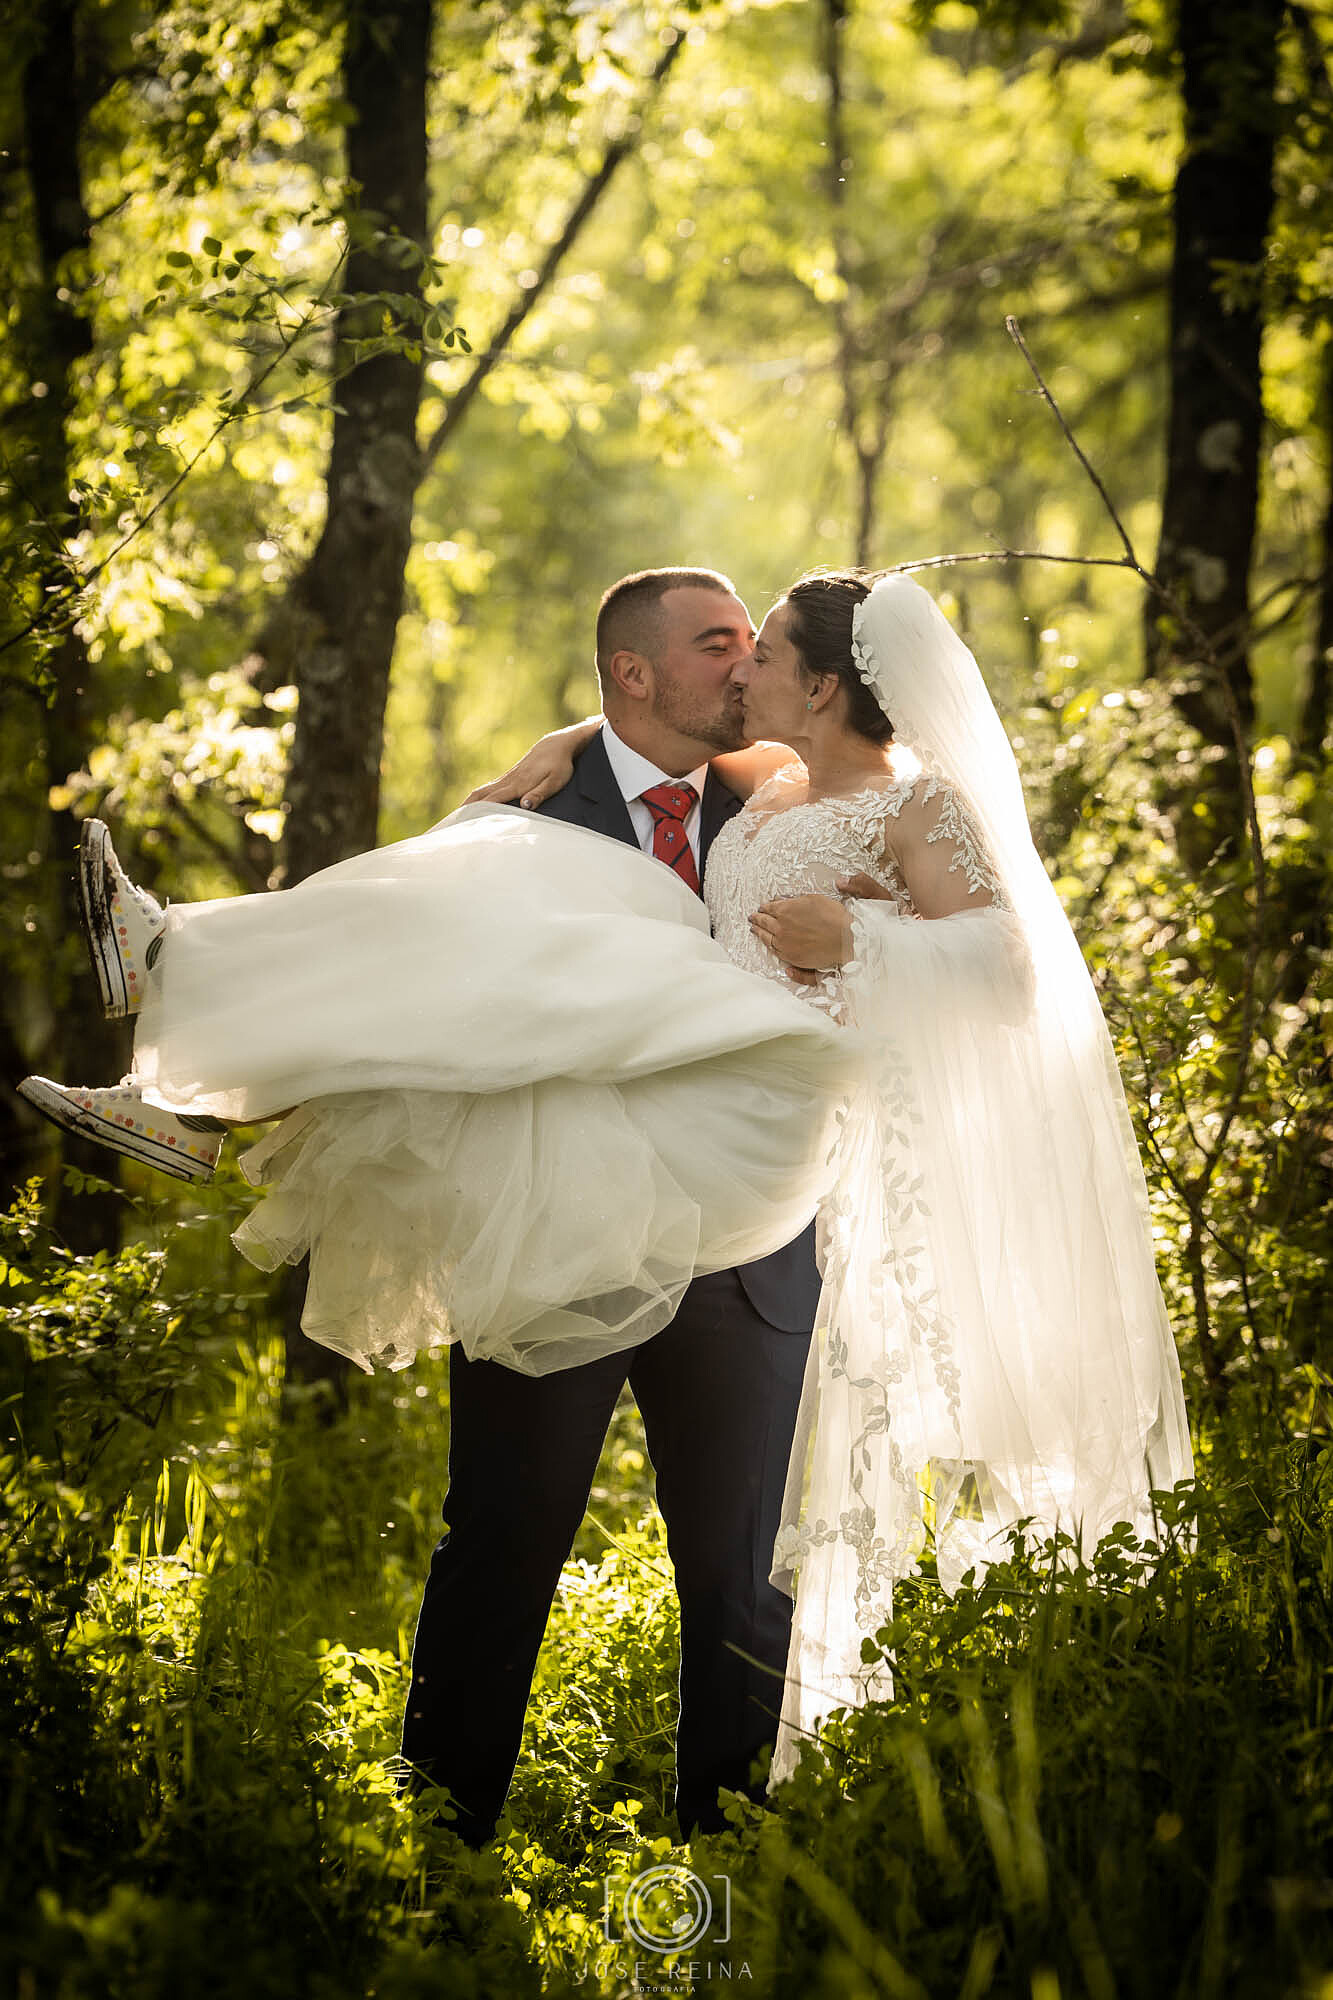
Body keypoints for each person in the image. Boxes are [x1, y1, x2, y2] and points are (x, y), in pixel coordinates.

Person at [20, 565, 1193, 1811]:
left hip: (747, 1195)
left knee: (739, 1568)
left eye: (760, 649)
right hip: (578, 1203)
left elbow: (1004, 959)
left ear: (820, 679)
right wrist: (574, 735)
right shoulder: (686, 786)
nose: (743, 668)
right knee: (504, 1530)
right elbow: (614, 786)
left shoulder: (852, 789)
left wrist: (862, 939)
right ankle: (439, 1823)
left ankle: (730, 1851)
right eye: (716, 649)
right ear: (632, 677)